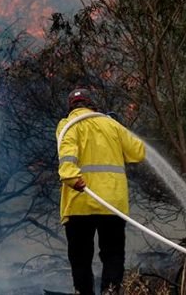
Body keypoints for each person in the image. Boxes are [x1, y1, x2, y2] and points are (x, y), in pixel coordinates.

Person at [57, 88, 145, 295]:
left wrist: (72, 177)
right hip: (112, 203)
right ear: (92, 104)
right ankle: (110, 292)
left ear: (71, 107)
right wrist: (118, 128)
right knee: (113, 254)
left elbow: (67, 155)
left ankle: (83, 292)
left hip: (79, 202)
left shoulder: (68, 124)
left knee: (80, 258)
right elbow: (138, 152)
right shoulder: (111, 124)